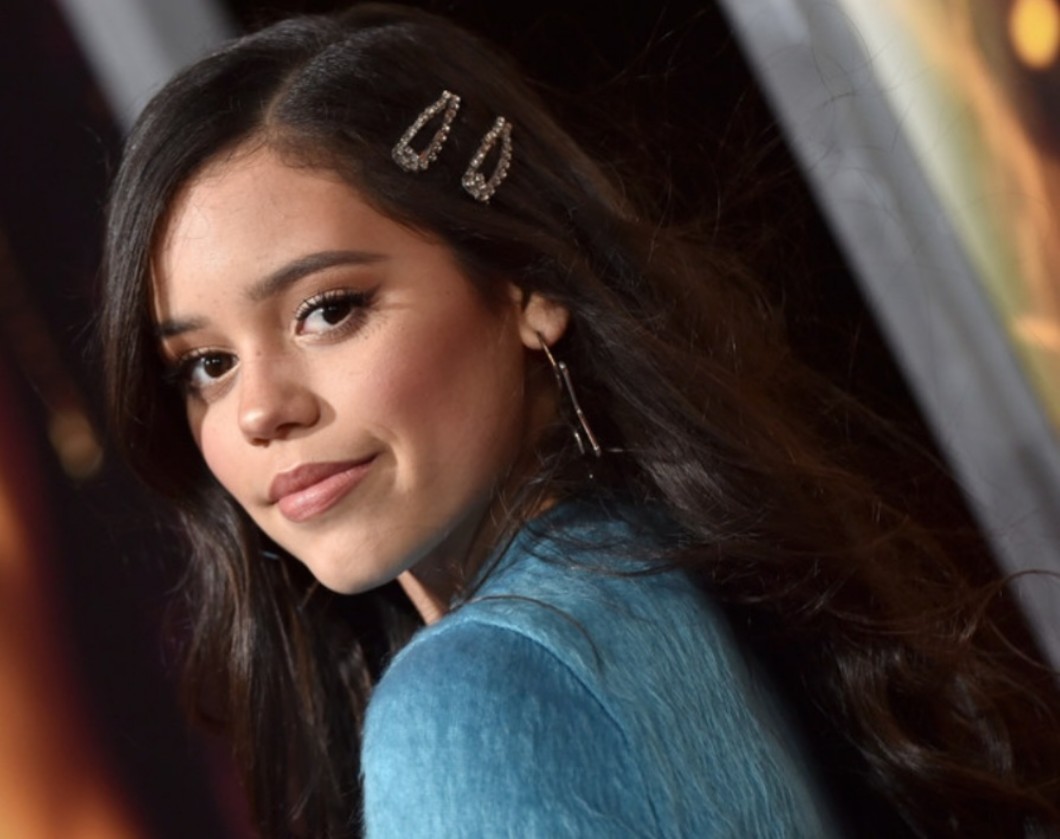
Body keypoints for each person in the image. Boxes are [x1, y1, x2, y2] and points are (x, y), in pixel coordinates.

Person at [100, 4, 1060, 837]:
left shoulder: (473, 696)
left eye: (329, 309)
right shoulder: (677, 573)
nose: (261, 409)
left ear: (529, 284)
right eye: (206, 365)